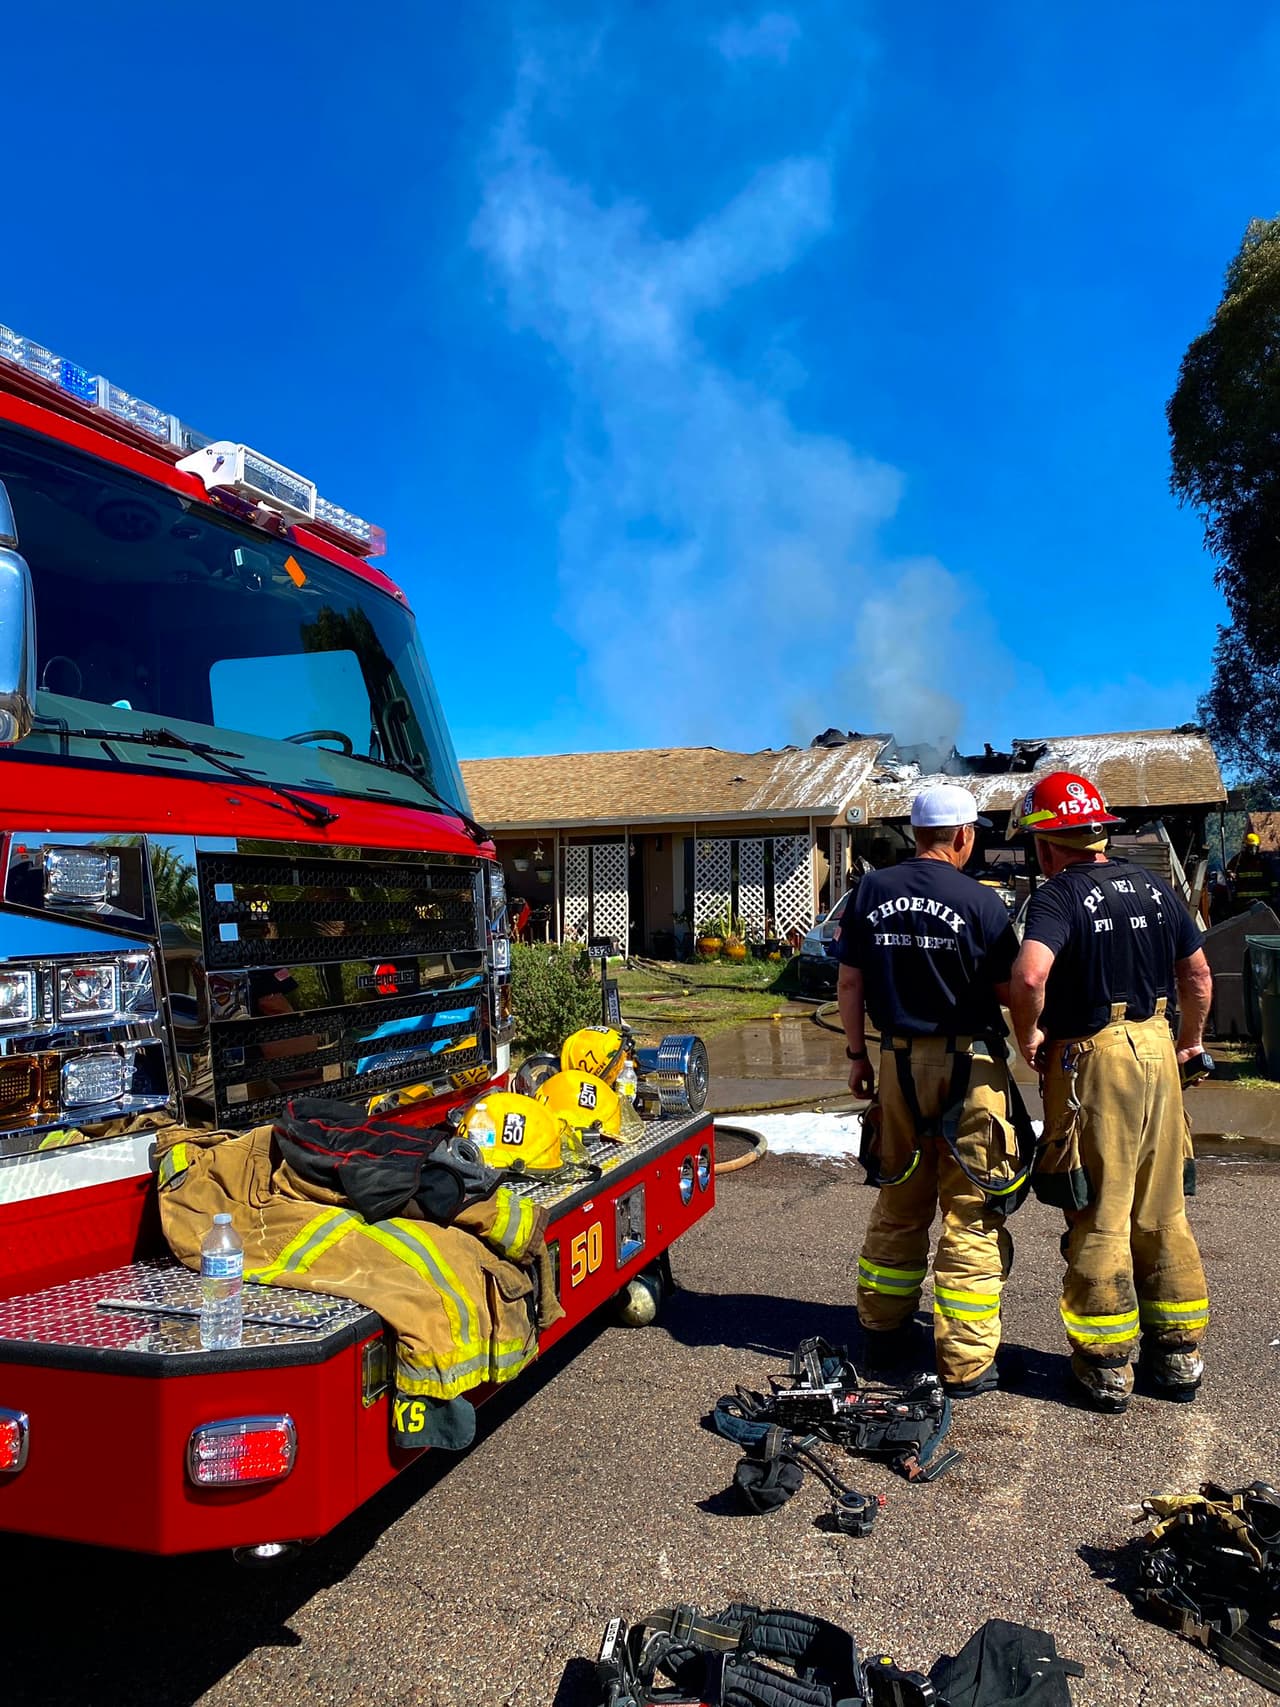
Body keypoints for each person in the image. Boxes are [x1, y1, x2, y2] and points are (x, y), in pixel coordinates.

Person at [1007, 770, 1213, 1414]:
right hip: (1158, 1046)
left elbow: (1030, 975)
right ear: (1099, 831)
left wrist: (1028, 1034)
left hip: (1094, 1057)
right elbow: (1198, 976)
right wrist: (1188, 1043)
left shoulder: (1057, 896)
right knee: (1163, 1208)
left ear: (1046, 845)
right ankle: (1177, 1356)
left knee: (1100, 1207)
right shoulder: (1156, 887)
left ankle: (1104, 1365)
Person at [837, 783, 1028, 1398]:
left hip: (895, 1064)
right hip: (970, 1069)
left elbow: (849, 984)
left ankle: (882, 1333)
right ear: (964, 836)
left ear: (915, 834)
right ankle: (966, 1365)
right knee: (970, 1211)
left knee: (899, 1198)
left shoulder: (869, 892)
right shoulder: (982, 901)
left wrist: (856, 1056)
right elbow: (1011, 990)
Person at [1229, 830, 1276, 914]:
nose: (1252, 851)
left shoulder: (1264, 860)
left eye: (1254, 848)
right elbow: (1229, 870)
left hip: (1262, 902)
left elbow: (1272, 878)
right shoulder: (1238, 860)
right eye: (1250, 848)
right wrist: (1230, 874)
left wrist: (1274, 896)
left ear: (1257, 847)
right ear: (1245, 847)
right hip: (1243, 904)